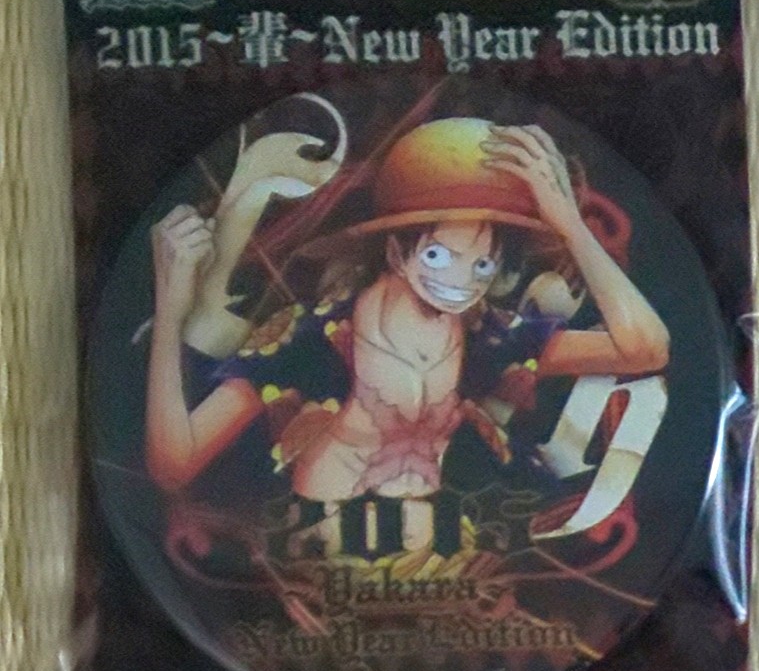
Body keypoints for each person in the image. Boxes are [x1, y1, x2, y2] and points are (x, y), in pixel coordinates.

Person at [144, 116, 669, 554]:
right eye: (438, 255)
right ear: (395, 250)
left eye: (483, 264)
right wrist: (170, 309)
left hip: (441, 572)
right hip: (325, 576)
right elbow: (173, 463)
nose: (461, 282)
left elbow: (644, 349)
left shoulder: (489, 336)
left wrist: (570, 224)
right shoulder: (307, 337)